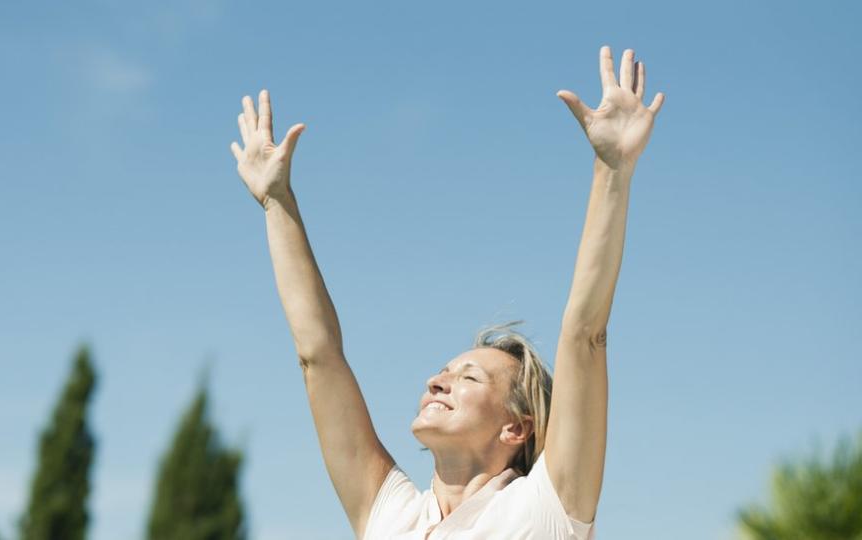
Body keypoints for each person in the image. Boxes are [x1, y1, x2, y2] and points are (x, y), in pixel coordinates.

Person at [229, 45, 665, 540]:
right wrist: (276, 201)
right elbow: (319, 357)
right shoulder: (392, 516)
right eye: (443, 372)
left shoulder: (547, 507)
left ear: (515, 428)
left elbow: (585, 334)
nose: (437, 382)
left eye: (469, 378)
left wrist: (612, 171)